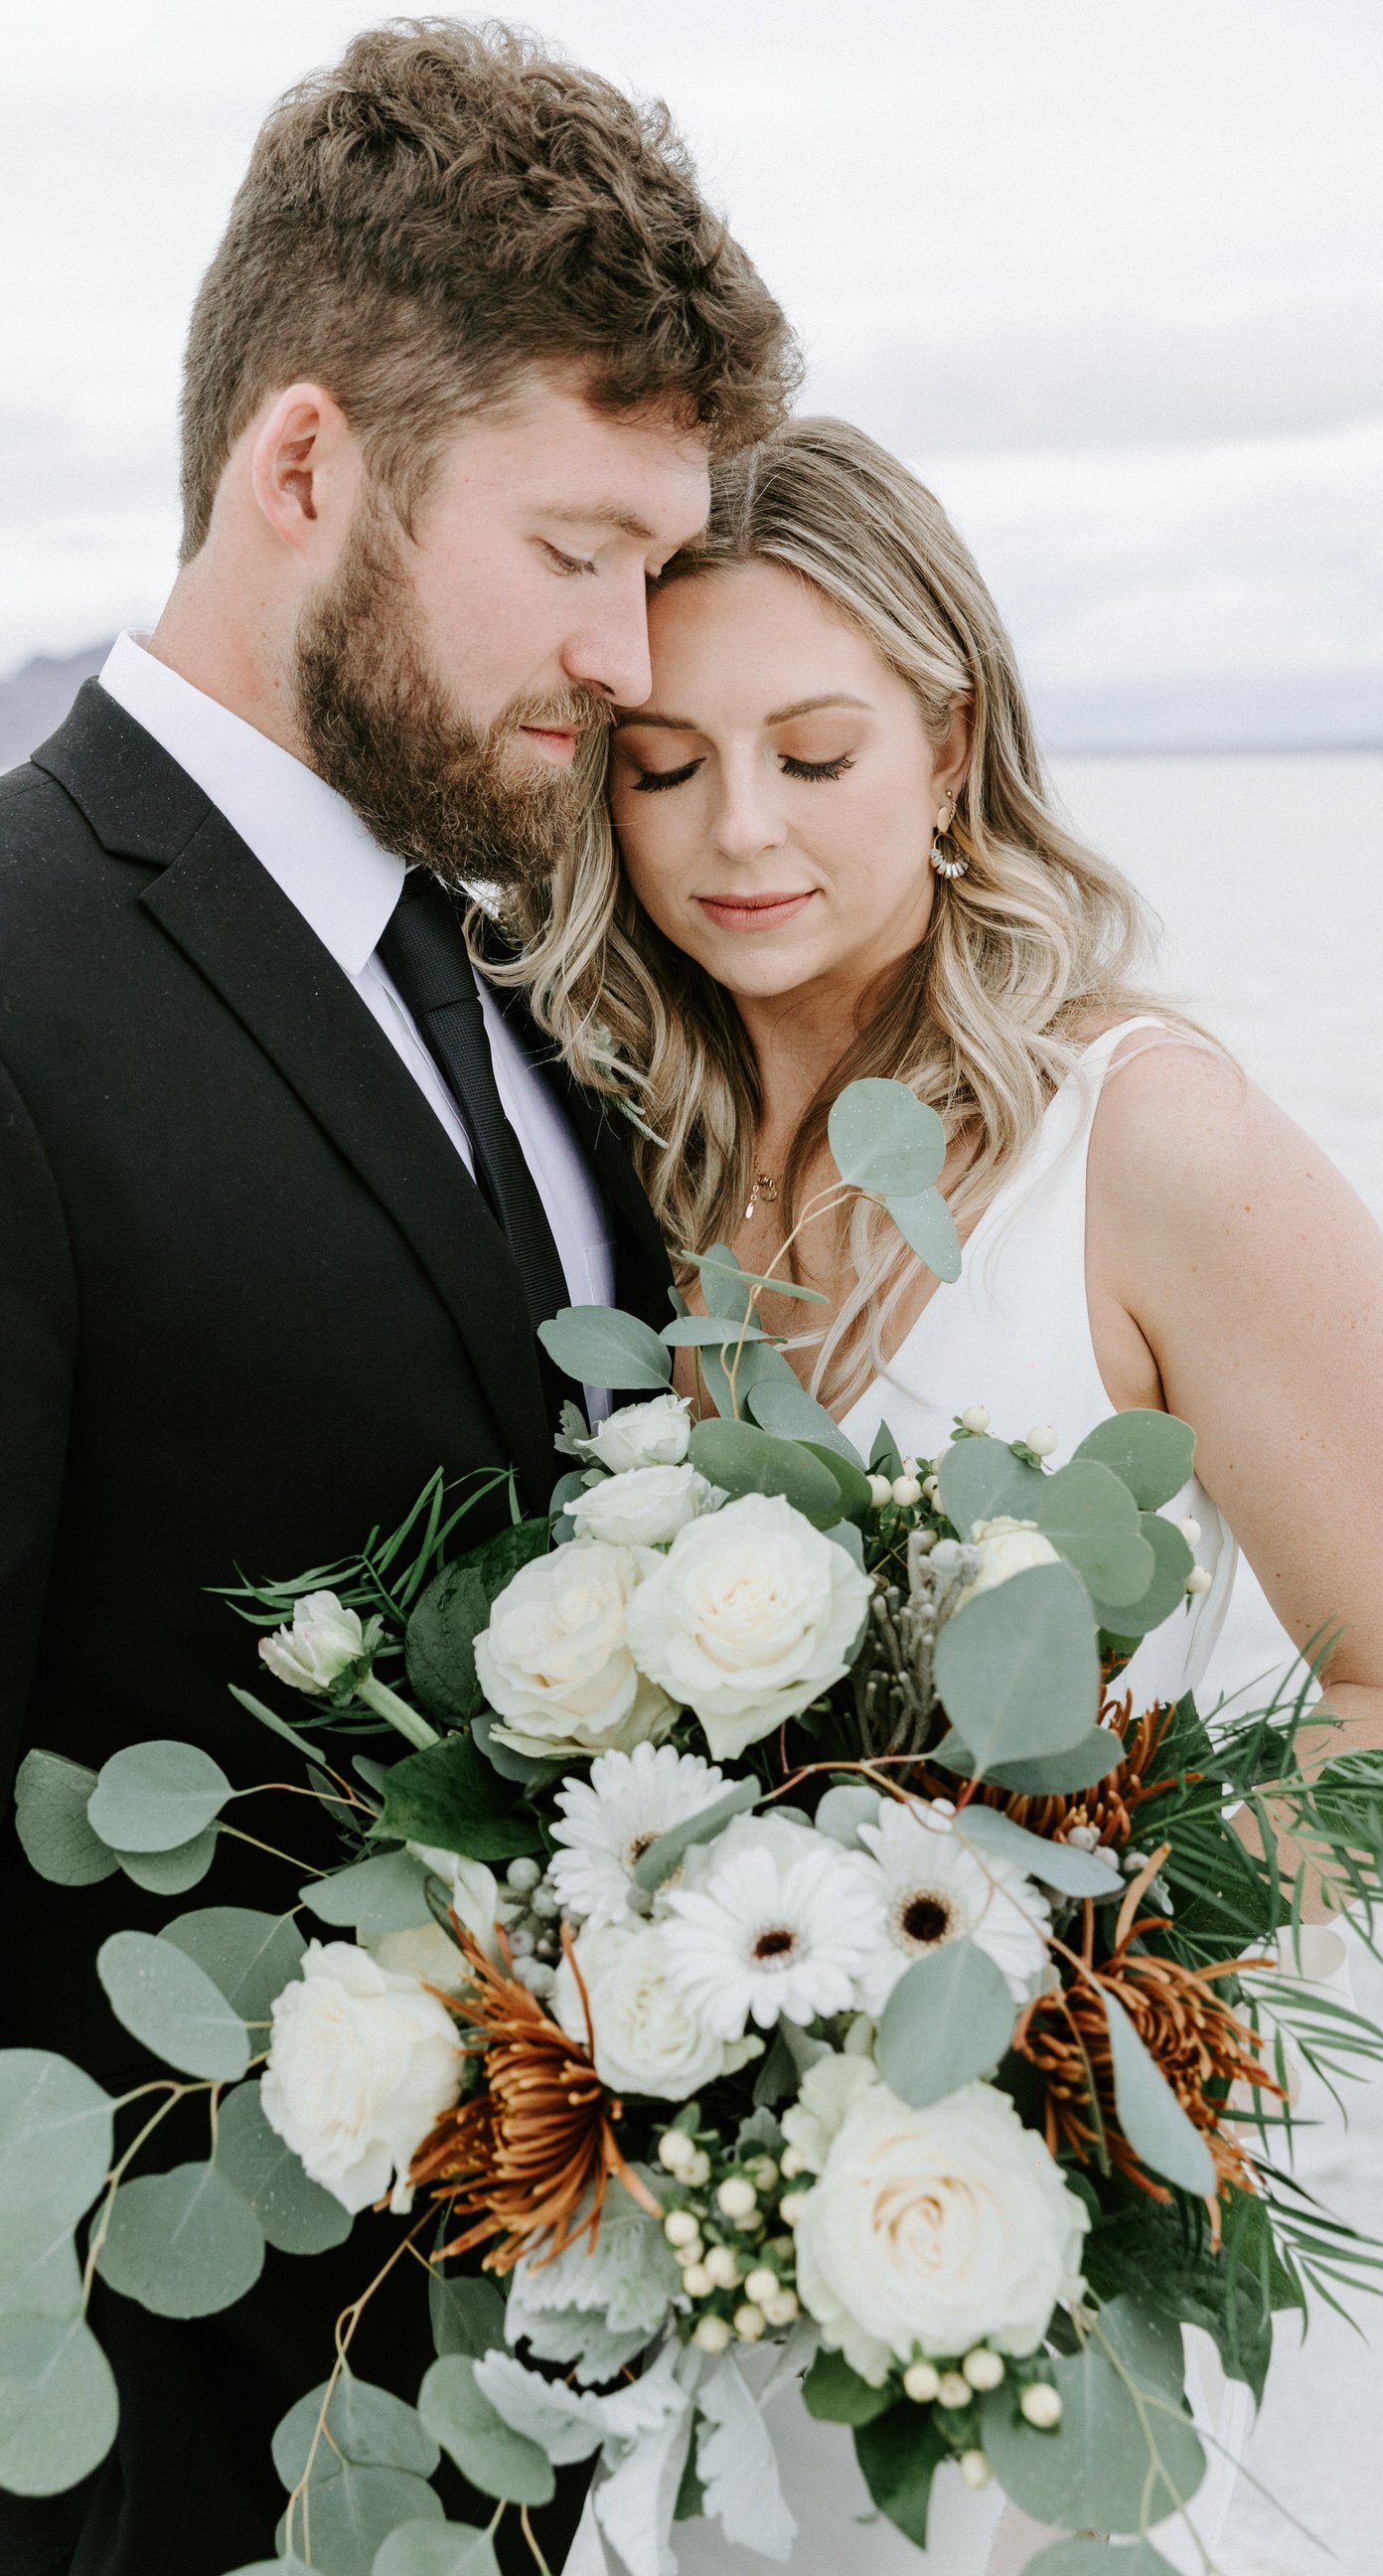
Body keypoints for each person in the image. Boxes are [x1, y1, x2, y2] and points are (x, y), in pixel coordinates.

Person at [0, 26, 796, 2576]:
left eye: (659, 560)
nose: (629, 647)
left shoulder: (520, 989)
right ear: (307, 466)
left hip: (546, 2444)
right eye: (578, 546)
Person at [504, 415, 1383, 2573]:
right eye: (666, 763)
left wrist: (1061, 1985)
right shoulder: (614, 1158)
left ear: (952, 739)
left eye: (815, 753)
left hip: (1089, 2202)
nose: (737, 835)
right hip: (739, 2241)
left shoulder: (1144, 1143)